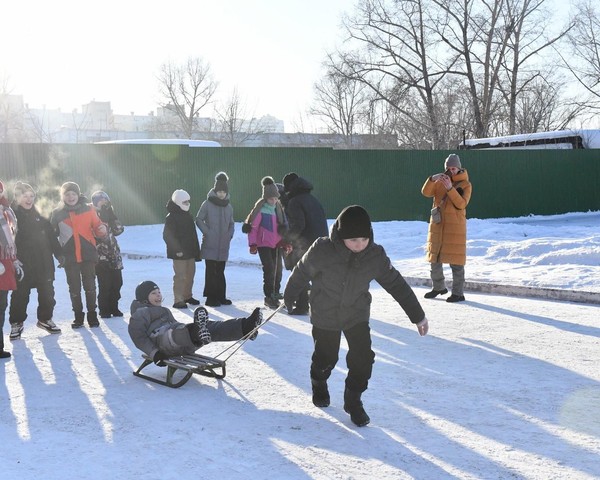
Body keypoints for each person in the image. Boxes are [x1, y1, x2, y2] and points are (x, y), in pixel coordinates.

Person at [284, 205, 429, 427]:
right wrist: (291, 294)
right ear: (341, 237)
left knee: (363, 358)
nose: (359, 245)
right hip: (326, 313)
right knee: (327, 358)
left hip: (356, 313)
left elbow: (397, 285)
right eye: (353, 240)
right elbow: (302, 271)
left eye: (364, 239)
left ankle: (353, 400)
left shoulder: (375, 255)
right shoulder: (323, 249)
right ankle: (319, 379)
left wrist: (418, 316)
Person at [128, 280, 263, 365]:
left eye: (159, 292)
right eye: (153, 293)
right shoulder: (140, 313)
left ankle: (245, 328)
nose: (158, 295)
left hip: (181, 343)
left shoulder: (164, 310)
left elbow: (174, 324)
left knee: (209, 327)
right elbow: (138, 338)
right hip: (162, 346)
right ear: (144, 298)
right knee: (174, 333)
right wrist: (155, 354)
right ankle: (197, 331)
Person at [9, 182, 63, 341]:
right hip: (22, 263)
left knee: (47, 293)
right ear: (17, 197)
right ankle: (16, 323)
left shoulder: (41, 214)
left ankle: (45, 319)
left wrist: (59, 254)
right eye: (25, 196)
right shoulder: (11, 215)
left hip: (43, 261)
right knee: (20, 294)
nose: (29, 199)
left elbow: (52, 237)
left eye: (31, 196)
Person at [50, 181, 107, 328]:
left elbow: (97, 225)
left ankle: (92, 316)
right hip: (69, 257)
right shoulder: (57, 213)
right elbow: (52, 235)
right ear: (62, 196)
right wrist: (58, 253)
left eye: (73, 194)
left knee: (90, 286)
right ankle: (78, 316)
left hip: (88, 255)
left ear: (78, 194)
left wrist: (102, 229)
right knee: (74, 288)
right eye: (67, 194)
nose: (70, 197)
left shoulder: (88, 209)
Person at [421, 153, 472, 303]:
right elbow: (425, 192)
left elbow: (461, 204)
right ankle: (438, 287)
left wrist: (450, 188)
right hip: (438, 226)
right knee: (434, 259)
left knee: (456, 262)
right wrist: (432, 179)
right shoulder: (439, 182)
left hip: (455, 228)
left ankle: (458, 293)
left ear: (459, 168)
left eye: (454, 168)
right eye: (449, 168)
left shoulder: (465, 185)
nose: (451, 171)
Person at [281, 172, 328, 315]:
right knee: (318, 276)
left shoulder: (295, 202)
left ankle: (302, 306)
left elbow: (299, 225)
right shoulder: (313, 199)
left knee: (300, 273)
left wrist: (286, 237)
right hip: (321, 243)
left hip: (305, 244)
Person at [243, 176, 289, 309]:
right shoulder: (260, 210)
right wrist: (252, 244)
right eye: (271, 199)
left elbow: (282, 227)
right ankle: (269, 296)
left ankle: (275, 293)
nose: (274, 201)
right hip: (263, 244)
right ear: (266, 198)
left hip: (276, 244)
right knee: (269, 269)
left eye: (275, 198)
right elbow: (253, 228)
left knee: (278, 269)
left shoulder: (278, 209)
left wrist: (284, 242)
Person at [195, 172, 234, 307]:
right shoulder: (207, 204)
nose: (221, 194)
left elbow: (232, 223)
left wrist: (229, 234)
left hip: (223, 244)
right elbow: (199, 219)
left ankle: (221, 296)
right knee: (211, 271)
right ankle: (211, 298)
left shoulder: (229, 206)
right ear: (215, 190)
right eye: (219, 191)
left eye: (224, 191)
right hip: (210, 243)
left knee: (221, 271)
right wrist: (208, 232)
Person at [163, 189, 201, 309]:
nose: (187, 204)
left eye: (188, 201)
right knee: (180, 276)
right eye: (184, 202)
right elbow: (168, 235)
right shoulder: (171, 217)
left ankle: (187, 296)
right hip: (179, 253)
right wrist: (176, 250)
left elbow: (193, 235)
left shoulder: (187, 215)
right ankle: (178, 299)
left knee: (190, 275)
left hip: (190, 251)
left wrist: (196, 251)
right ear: (178, 201)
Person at [92, 191, 125, 318]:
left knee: (117, 282)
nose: (104, 202)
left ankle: (114, 307)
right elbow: (96, 234)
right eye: (101, 200)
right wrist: (101, 217)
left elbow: (119, 230)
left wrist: (112, 216)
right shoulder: (92, 214)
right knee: (105, 284)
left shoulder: (110, 213)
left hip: (114, 254)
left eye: (106, 200)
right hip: (100, 255)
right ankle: (104, 309)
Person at [0, 181, 20, 359]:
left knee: (1, 306)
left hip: (4, 266)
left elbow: (9, 241)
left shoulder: (5, 212)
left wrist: (14, 261)